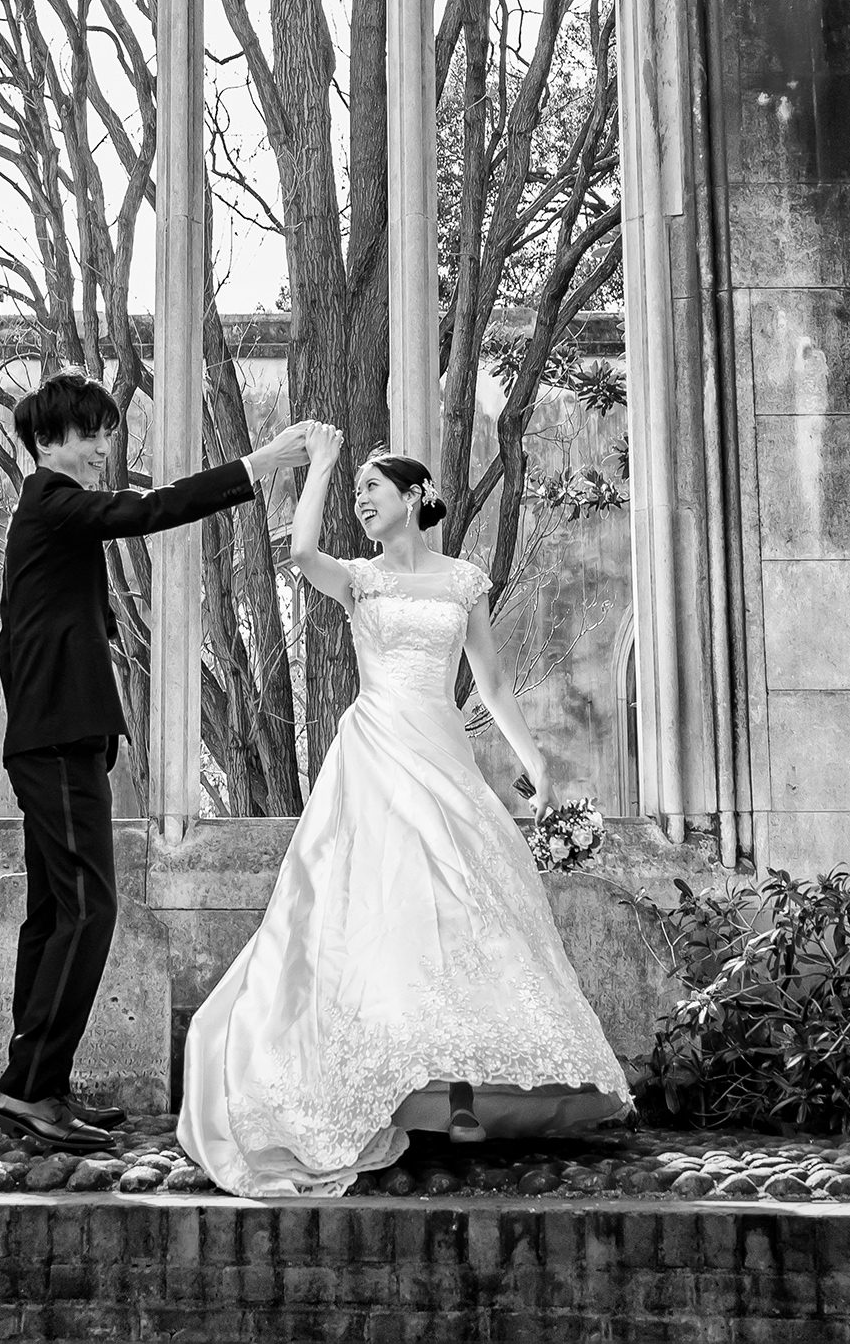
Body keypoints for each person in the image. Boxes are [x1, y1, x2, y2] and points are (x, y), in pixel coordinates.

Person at [176, 423, 630, 1196]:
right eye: (356, 491)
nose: (361, 500)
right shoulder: (359, 579)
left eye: (372, 487)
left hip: (444, 757)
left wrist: (537, 764)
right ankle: (390, 1083)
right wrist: (322, 464)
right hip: (376, 757)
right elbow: (300, 553)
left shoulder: (463, 581)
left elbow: (491, 681)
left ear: (416, 495)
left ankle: (462, 1086)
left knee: (464, 913)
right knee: (382, 916)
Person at [0, 371, 313, 1156]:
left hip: (55, 741)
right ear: (49, 441)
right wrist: (260, 463)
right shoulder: (53, 500)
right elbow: (149, 509)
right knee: (90, 908)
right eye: (92, 433)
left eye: (107, 431)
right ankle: (30, 1087)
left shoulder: (49, 516)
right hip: (57, 742)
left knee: (54, 913)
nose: (105, 446)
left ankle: (34, 1085)